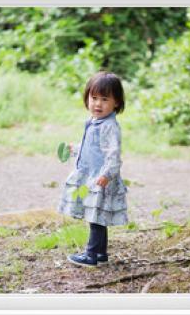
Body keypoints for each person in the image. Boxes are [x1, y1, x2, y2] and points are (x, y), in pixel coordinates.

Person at [57, 70, 128, 267]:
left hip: (101, 178)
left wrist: (107, 174)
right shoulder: (93, 122)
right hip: (92, 177)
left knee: (96, 218)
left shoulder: (109, 127)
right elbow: (92, 148)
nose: (97, 104)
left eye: (104, 99)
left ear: (117, 103)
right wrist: (75, 149)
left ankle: (91, 255)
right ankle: (101, 254)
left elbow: (113, 155)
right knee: (97, 215)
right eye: (93, 98)